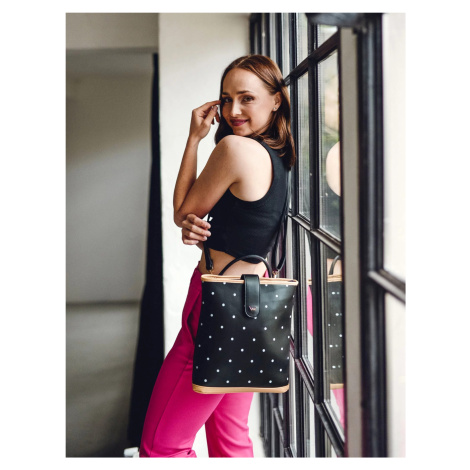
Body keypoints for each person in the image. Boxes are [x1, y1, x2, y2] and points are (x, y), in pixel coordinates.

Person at [138, 54, 296, 458]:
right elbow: (236, 226)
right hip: (252, 306)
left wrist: (194, 138)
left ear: (276, 100)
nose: (233, 110)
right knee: (231, 441)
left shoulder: (234, 148)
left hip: (217, 307)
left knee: (161, 448)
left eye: (247, 98)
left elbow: (182, 213)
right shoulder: (279, 156)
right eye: (226, 99)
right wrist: (199, 230)